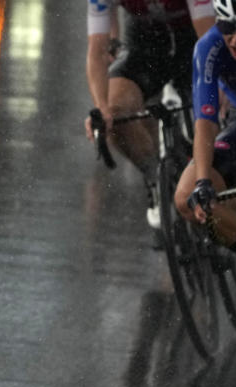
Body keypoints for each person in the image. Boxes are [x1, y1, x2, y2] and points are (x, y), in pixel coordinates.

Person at [85, 0, 215, 233]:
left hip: (194, 40)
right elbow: (96, 52)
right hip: (145, 45)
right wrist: (102, 108)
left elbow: (209, 40)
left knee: (215, 115)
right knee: (115, 118)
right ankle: (157, 178)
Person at [174, 0, 236, 311]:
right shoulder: (210, 47)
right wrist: (203, 181)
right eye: (228, 27)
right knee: (188, 197)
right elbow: (205, 121)